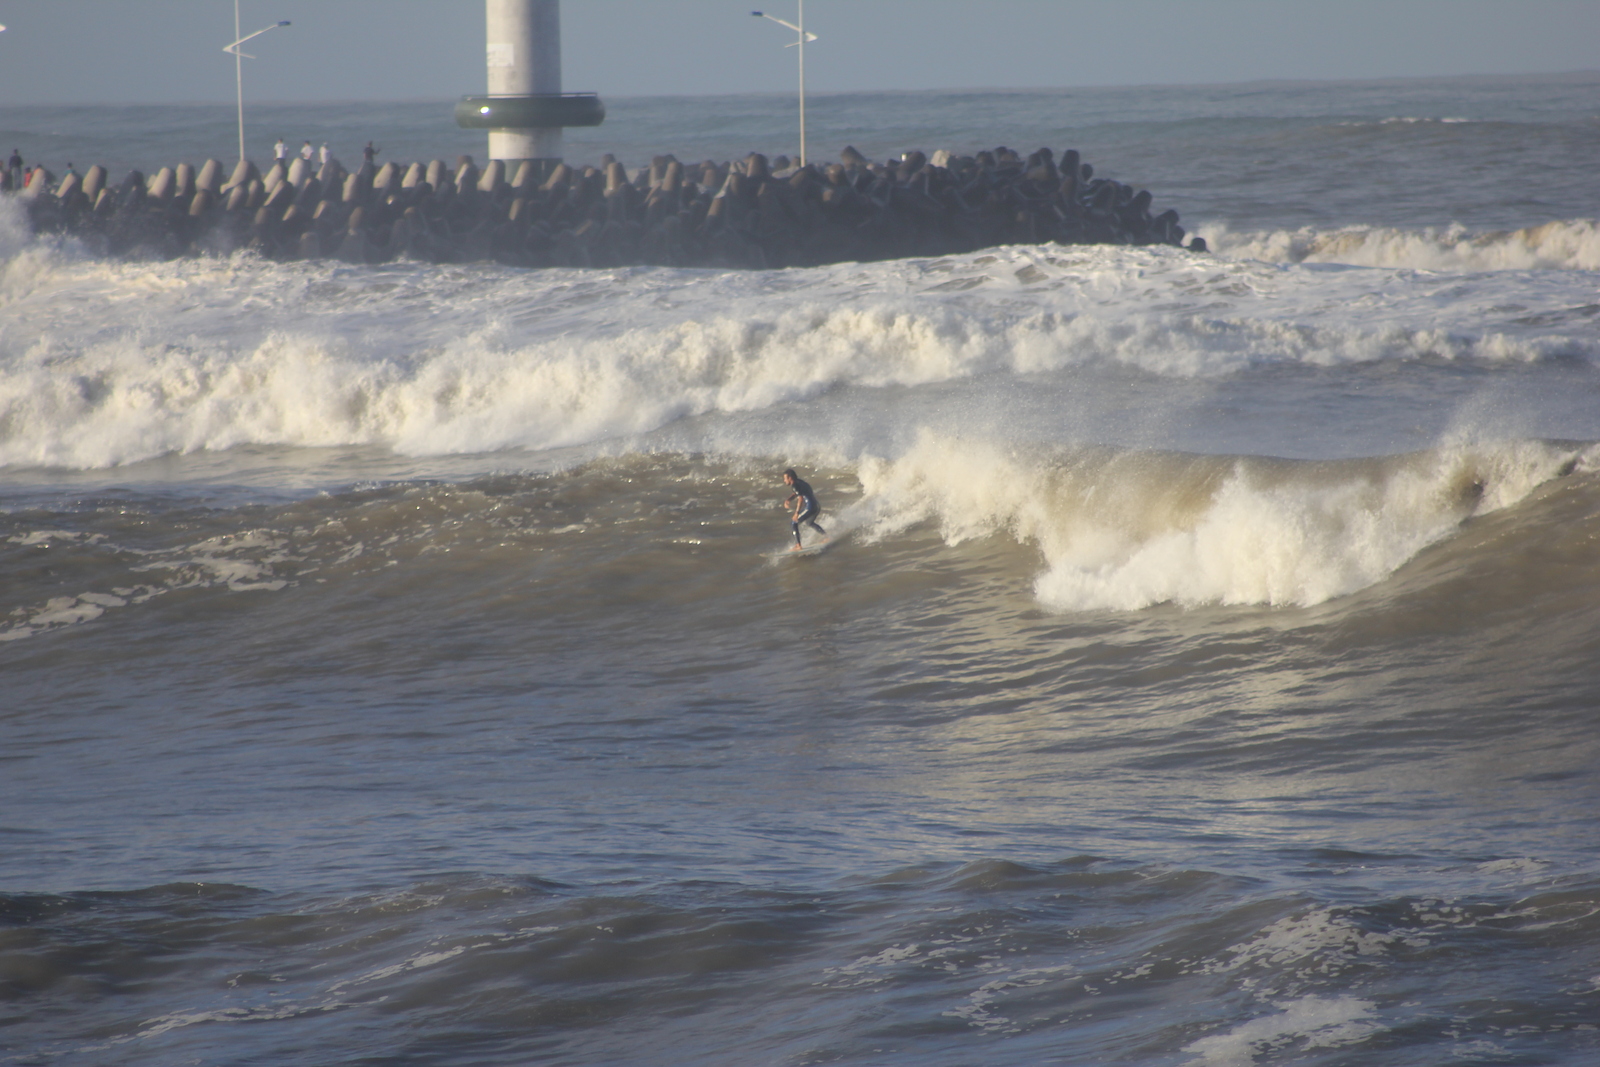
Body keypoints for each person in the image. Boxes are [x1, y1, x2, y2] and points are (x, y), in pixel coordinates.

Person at [782, 468, 826, 550]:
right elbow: (797, 493)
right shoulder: (801, 482)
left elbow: (800, 498)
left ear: (790, 478)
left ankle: (798, 545)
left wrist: (796, 513)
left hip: (810, 507)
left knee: (794, 522)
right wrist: (789, 500)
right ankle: (826, 536)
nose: (784, 481)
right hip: (816, 506)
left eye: (785, 478)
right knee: (809, 522)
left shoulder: (795, 485)